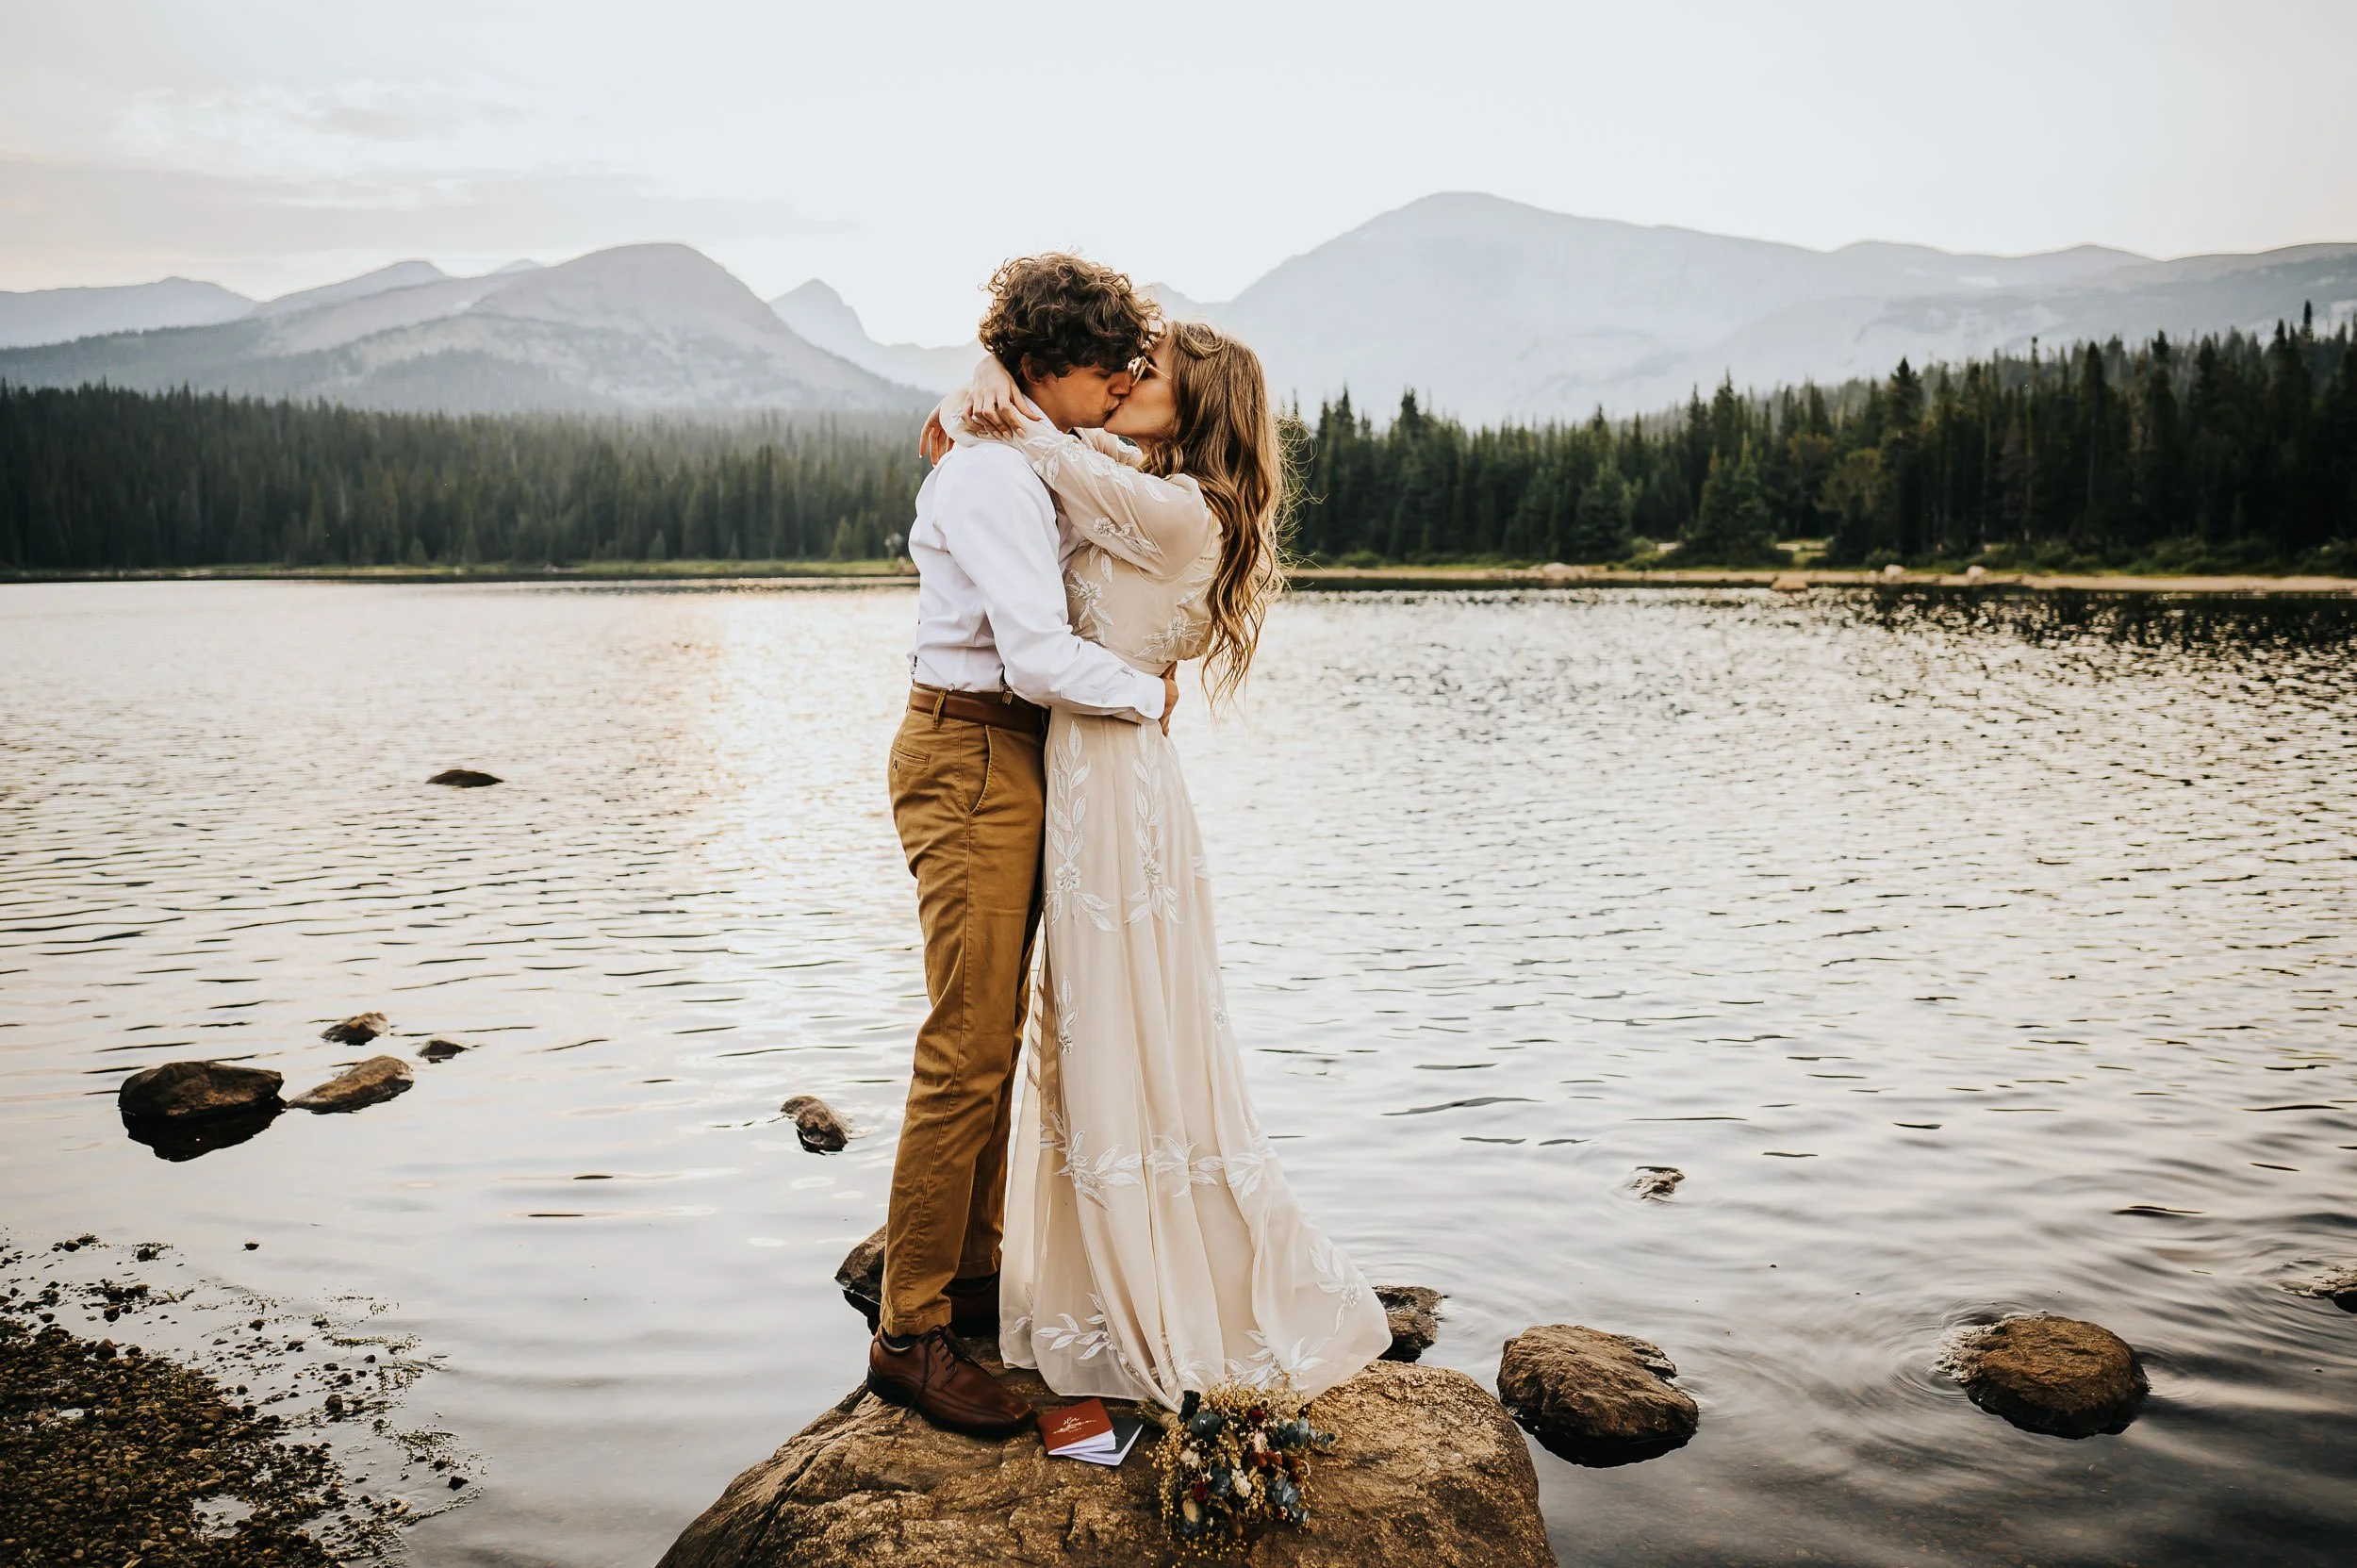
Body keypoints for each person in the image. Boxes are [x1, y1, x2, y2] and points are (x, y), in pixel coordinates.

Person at [923, 319, 1393, 1410]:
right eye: (1125, 365)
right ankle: (1093, 1269)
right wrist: (993, 390)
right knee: (1097, 1022)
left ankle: (1160, 1286)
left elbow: (1028, 436)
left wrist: (1007, 400)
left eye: (1154, 370)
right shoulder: (1148, 485)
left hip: (1114, 782)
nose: (1130, 380)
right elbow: (1005, 422)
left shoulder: (1181, 511)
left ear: (1198, 400)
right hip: (1096, 768)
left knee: (1120, 1022)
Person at [869, 254, 1179, 1438]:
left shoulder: (1019, 445)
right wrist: (1147, 695)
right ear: (1054, 364)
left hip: (1009, 758)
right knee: (965, 1046)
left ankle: (975, 1287)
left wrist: (963, 399)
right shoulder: (994, 479)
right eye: (1107, 370)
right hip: (973, 757)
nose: (1121, 390)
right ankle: (908, 1335)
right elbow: (1041, 657)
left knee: (996, 1038)